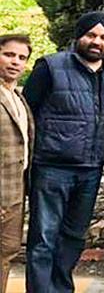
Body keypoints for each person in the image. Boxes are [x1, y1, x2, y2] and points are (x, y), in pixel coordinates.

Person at [22, 11, 104, 292]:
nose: (97, 41)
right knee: (43, 237)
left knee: (73, 236)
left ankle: (61, 287)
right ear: (78, 36)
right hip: (51, 167)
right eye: (91, 35)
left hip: (91, 169)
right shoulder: (50, 67)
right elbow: (27, 112)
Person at [0, 34, 34, 293]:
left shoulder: (19, 98)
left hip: (14, 193)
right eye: (9, 54)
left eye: (21, 58)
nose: (15, 62)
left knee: (6, 254)